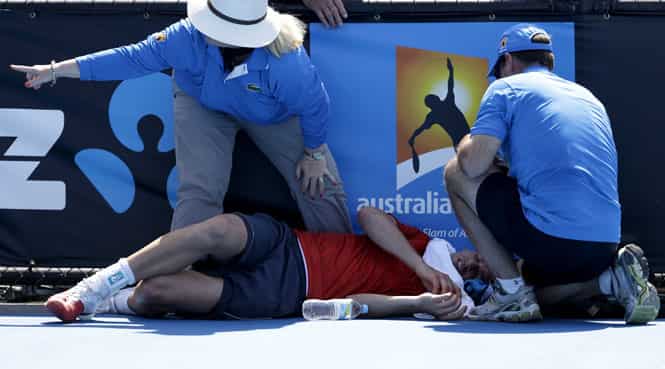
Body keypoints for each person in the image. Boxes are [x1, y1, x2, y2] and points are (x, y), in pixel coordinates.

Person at [10, 0, 352, 234]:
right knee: (199, 191)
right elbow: (131, 59)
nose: (201, 26)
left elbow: (315, 106)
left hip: (274, 115)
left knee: (318, 183)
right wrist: (54, 71)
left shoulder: (286, 61)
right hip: (203, 105)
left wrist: (314, 153)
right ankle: (179, 280)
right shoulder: (185, 36)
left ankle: (344, 270)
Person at [443, 23, 660, 323]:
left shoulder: (505, 88)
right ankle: (610, 281)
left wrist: (466, 139)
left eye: (501, 68)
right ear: (548, 62)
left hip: (554, 241)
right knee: (530, 283)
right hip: (604, 246)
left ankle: (510, 293)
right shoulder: (587, 97)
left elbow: (473, 166)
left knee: (454, 171)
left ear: (507, 61)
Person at [44, 207, 494, 322]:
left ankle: (114, 302)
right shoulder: (425, 245)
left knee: (160, 293)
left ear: (473, 284)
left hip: (282, 296)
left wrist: (415, 299)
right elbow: (369, 217)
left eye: (477, 271)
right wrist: (418, 266)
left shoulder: (439, 303)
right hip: (289, 245)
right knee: (218, 229)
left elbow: (353, 302)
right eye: (477, 255)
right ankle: (95, 287)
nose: (471, 261)